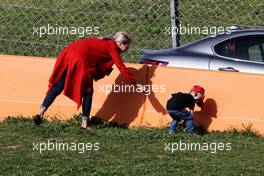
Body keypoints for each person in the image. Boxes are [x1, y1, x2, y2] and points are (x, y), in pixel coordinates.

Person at [33, 31, 137, 130]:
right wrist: (134, 83)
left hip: (69, 52)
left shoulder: (108, 41)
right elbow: (121, 67)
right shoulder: (113, 48)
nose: (126, 50)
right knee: (88, 91)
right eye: (126, 47)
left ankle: (40, 113)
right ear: (120, 43)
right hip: (80, 57)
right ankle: (84, 124)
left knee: (58, 85)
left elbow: (109, 40)